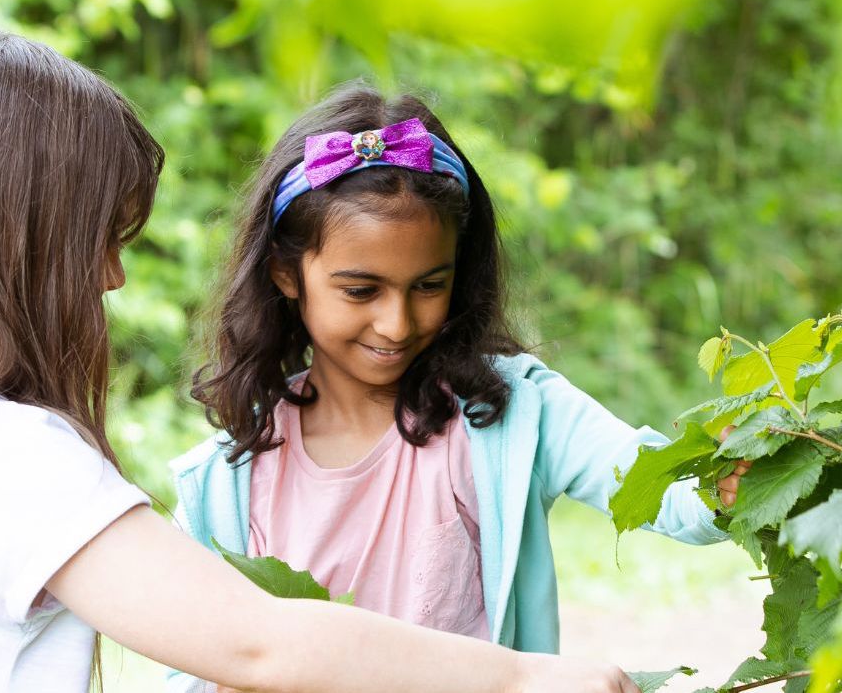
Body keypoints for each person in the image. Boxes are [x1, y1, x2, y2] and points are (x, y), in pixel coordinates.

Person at [0, 28, 645, 693]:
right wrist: (526, 676)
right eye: (102, 238)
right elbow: (257, 642)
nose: (110, 276)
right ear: (19, 242)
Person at [175, 85, 748, 688]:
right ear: (287, 274)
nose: (397, 324)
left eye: (428, 285)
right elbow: (190, 668)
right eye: (361, 291)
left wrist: (723, 474)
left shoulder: (515, 413)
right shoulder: (224, 484)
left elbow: (657, 483)